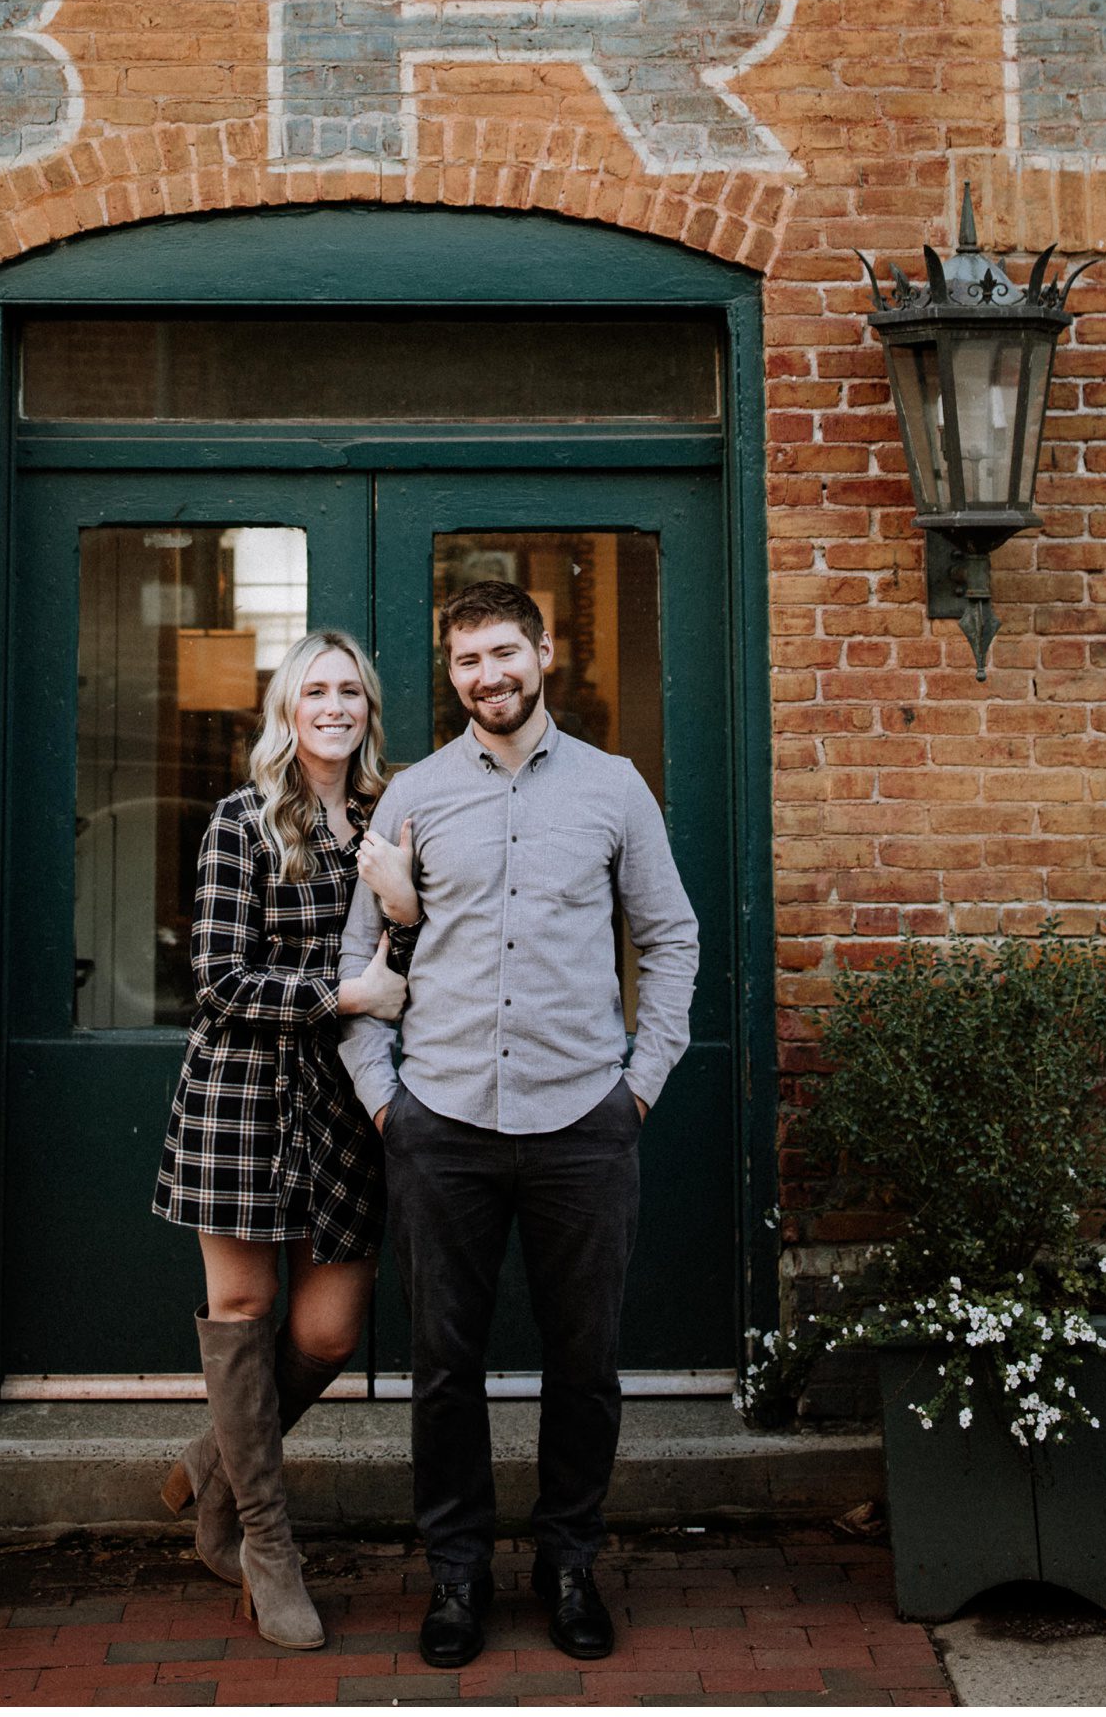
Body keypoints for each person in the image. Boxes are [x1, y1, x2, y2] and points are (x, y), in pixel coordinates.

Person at [340, 578, 699, 1670]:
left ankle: (568, 1559)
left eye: (503, 652)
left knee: (582, 1359)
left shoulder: (612, 787)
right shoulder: (413, 792)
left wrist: (637, 1082)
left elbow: (669, 938)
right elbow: (363, 961)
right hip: (440, 1118)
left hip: (581, 1116)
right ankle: (454, 1573)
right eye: (465, 660)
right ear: (447, 674)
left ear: (542, 652)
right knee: (442, 1363)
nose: (487, 675)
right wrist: (380, 1095)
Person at [153, 627, 421, 1651]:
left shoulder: (393, 817)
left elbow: (416, 956)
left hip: (347, 1098)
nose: (334, 705)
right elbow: (217, 975)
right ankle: (262, 1540)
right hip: (241, 1093)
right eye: (315, 689)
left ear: (368, 705)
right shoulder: (241, 818)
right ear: (287, 705)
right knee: (244, 1303)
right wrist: (338, 989)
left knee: (324, 1334)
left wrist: (402, 905)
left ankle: (211, 1461)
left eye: (349, 688)